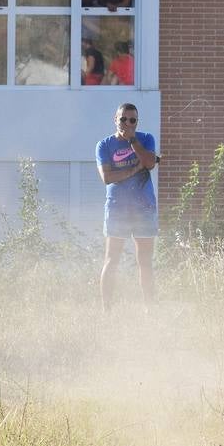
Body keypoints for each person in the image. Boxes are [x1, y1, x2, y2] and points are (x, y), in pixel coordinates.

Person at [96, 104, 159, 311]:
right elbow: (107, 177)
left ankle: (149, 309)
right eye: (124, 119)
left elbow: (149, 163)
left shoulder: (146, 138)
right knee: (112, 260)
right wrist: (134, 169)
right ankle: (106, 310)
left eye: (133, 120)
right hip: (117, 209)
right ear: (115, 119)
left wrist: (133, 141)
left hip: (144, 208)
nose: (128, 124)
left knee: (145, 261)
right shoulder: (104, 145)